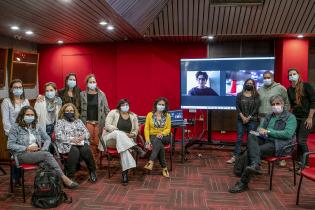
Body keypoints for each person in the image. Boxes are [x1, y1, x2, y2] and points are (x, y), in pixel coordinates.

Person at [228, 95, 297, 193]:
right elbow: (260, 128)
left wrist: (268, 131)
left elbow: (287, 134)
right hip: (266, 139)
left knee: (251, 152)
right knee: (252, 134)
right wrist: (259, 130)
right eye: (273, 104)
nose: (275, 106)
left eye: (278, 104)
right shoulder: (270, 116)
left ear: (283, 104)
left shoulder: (291, 117)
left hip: (280, 144)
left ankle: (243, 183)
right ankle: (255, 164)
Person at [7, 106, 79, 189]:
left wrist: (44, 148)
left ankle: (48, 187)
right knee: (46, 155)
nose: (30, 117)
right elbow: (10, 145)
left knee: (47, 163)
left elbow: (47, 138)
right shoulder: (15, 127)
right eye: (27, 114)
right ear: (22, 116)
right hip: (21, 154)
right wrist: (26, 148)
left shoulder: (36, 126)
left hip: (36, 153)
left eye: (32, 115)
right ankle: (64, 179)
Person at [100, 98, 146, 185]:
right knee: (118, 133)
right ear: (119, 106)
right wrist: (120, 132)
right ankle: (135, 147)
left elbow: (136, 130)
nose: (125, 107)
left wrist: (131, 135)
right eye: (123, 105)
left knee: (124, 149)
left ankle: (125, 175)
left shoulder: (133, 116)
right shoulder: (113, 112)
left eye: (127, 105)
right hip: (111, 138)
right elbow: (107, 125)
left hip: (126, 141)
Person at [54, 103, 97, 183]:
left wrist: (83, 137)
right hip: (67, 144)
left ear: (74, 111)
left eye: (71, 110)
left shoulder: (78, 121)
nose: (69, 112)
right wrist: (72, 139)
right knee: (75, 151)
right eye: (67, 111)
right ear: (63, 112)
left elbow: (87, 133)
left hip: (79, 142)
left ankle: (92, 171)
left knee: (86, 150)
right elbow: (58, 136)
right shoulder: (60, 122)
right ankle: (71, 176)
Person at [258, 71, 290, 167]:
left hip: (277, 117)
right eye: (264, 77)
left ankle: (282, 157)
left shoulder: (281, 88)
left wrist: (284, 116)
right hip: (262, 117)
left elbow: (286, 102)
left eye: (268, 77)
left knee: (278, 137)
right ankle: (268, 155)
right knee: (265, 137)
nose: (266, 79)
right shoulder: (260, 89)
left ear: (272, 78)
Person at [1, 79, 30, 186]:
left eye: (20, 87)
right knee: (15, 156)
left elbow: (29, 117)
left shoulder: (26, 101)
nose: (18, 89)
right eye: (15, 87)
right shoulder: (6, 102)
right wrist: (12, 135)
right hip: (12, 134)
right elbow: (6, 121)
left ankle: (20, 177)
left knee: (23, 155)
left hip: (24, 133)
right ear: (11, 89)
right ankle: (15, 179)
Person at [227, 79, 260, 164]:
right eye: (248, 83)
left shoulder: (256, 95)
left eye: (251, 83)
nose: (249, 84)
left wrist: (248, 118)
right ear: (245, 84)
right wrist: (242, 117)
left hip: (252, 120)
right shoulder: (239, 95)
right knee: (239, 138)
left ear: (254, 85)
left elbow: (256, 108)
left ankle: (249, 157)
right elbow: (237, 107)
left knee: (251, 138)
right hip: (240, 119)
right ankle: (235, 156)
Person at [287, 68, 315, 166]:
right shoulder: (289, 89)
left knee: (301, 140)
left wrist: (310, 117)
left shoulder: (306, 86)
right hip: (295, 117)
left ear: (298, 74)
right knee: (297, 141)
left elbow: (313, 102)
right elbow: (291, 105)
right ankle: (300, 162)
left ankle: (306, 164)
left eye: (294, 73)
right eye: (290, 74)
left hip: (306, 117)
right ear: (288, 77)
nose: (292, 75)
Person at [80, 74, 110, 164]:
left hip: (98, 122)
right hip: (87, 121)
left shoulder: (101, 94)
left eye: (94, 82)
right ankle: (92, 161)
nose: (92, 83)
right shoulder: (82, 94)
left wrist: (109, 122)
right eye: (90, 82)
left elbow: (106, 109)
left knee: (97, 142)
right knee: (89, 141)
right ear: (87, 83)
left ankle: (96, 160)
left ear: (96, 83)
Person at [143, 97, 171, 178]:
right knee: (159, 145)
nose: (161, 106)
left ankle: (151, 161)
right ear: (156, 105)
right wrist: (147, 141)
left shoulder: (167, 116)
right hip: (153, 137)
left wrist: (162, 133)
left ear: (165, 106)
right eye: (159, 104)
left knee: (158, 140)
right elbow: (146, 129)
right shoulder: (150, 115)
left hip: (165, 137)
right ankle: (164, 168)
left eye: (163, 105)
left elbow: (168, 129)